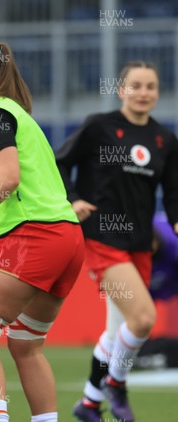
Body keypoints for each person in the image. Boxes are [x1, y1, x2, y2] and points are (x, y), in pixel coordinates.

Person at [0, 37, 84, 422]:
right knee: (26, 345)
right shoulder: (18, 113)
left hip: (33, 239)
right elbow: (14, 191)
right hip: (68, 239)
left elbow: (5, 180)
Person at [56, 61, 178, 422]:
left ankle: (89, 404)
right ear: (121, 89)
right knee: (142, 320)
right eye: (136, 85)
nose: (143, 93)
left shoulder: (165, 140)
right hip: (102, 239)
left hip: (140, 245)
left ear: (157, 92)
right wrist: (73, 198)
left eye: (151, 87)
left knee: (115, 333)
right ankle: (117, 386)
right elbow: (59, 163)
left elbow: (173, 193)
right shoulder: (99, 127)